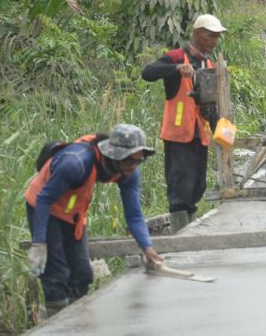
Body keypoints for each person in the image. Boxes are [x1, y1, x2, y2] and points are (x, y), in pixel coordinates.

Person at [25, 124, 164, 315]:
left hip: (73, 213)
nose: (134, 167)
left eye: (139, 161)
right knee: (56, 275)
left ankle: (76, 321)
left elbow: (134, 215)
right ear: (115, 155)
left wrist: (147, 248)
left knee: (82, 274)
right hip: (45, 208)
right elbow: (44, 199)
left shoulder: (128, 172)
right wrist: (40, 243)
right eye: (131, 161)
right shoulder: (76, 163)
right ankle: (56, 324)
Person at [141, 13, 228, 230]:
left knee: (197, 185)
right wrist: (176, 69)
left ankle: (189, 229)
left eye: (217, 37)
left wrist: (223, 129)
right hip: (178, 134)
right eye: (211, 36)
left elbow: (211, 102)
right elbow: (148, 73)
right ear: (198, 35)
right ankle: (180, 234)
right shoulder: (178, 57)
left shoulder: (208, 63)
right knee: (180, 187)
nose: (215, 41)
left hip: (200, 134)